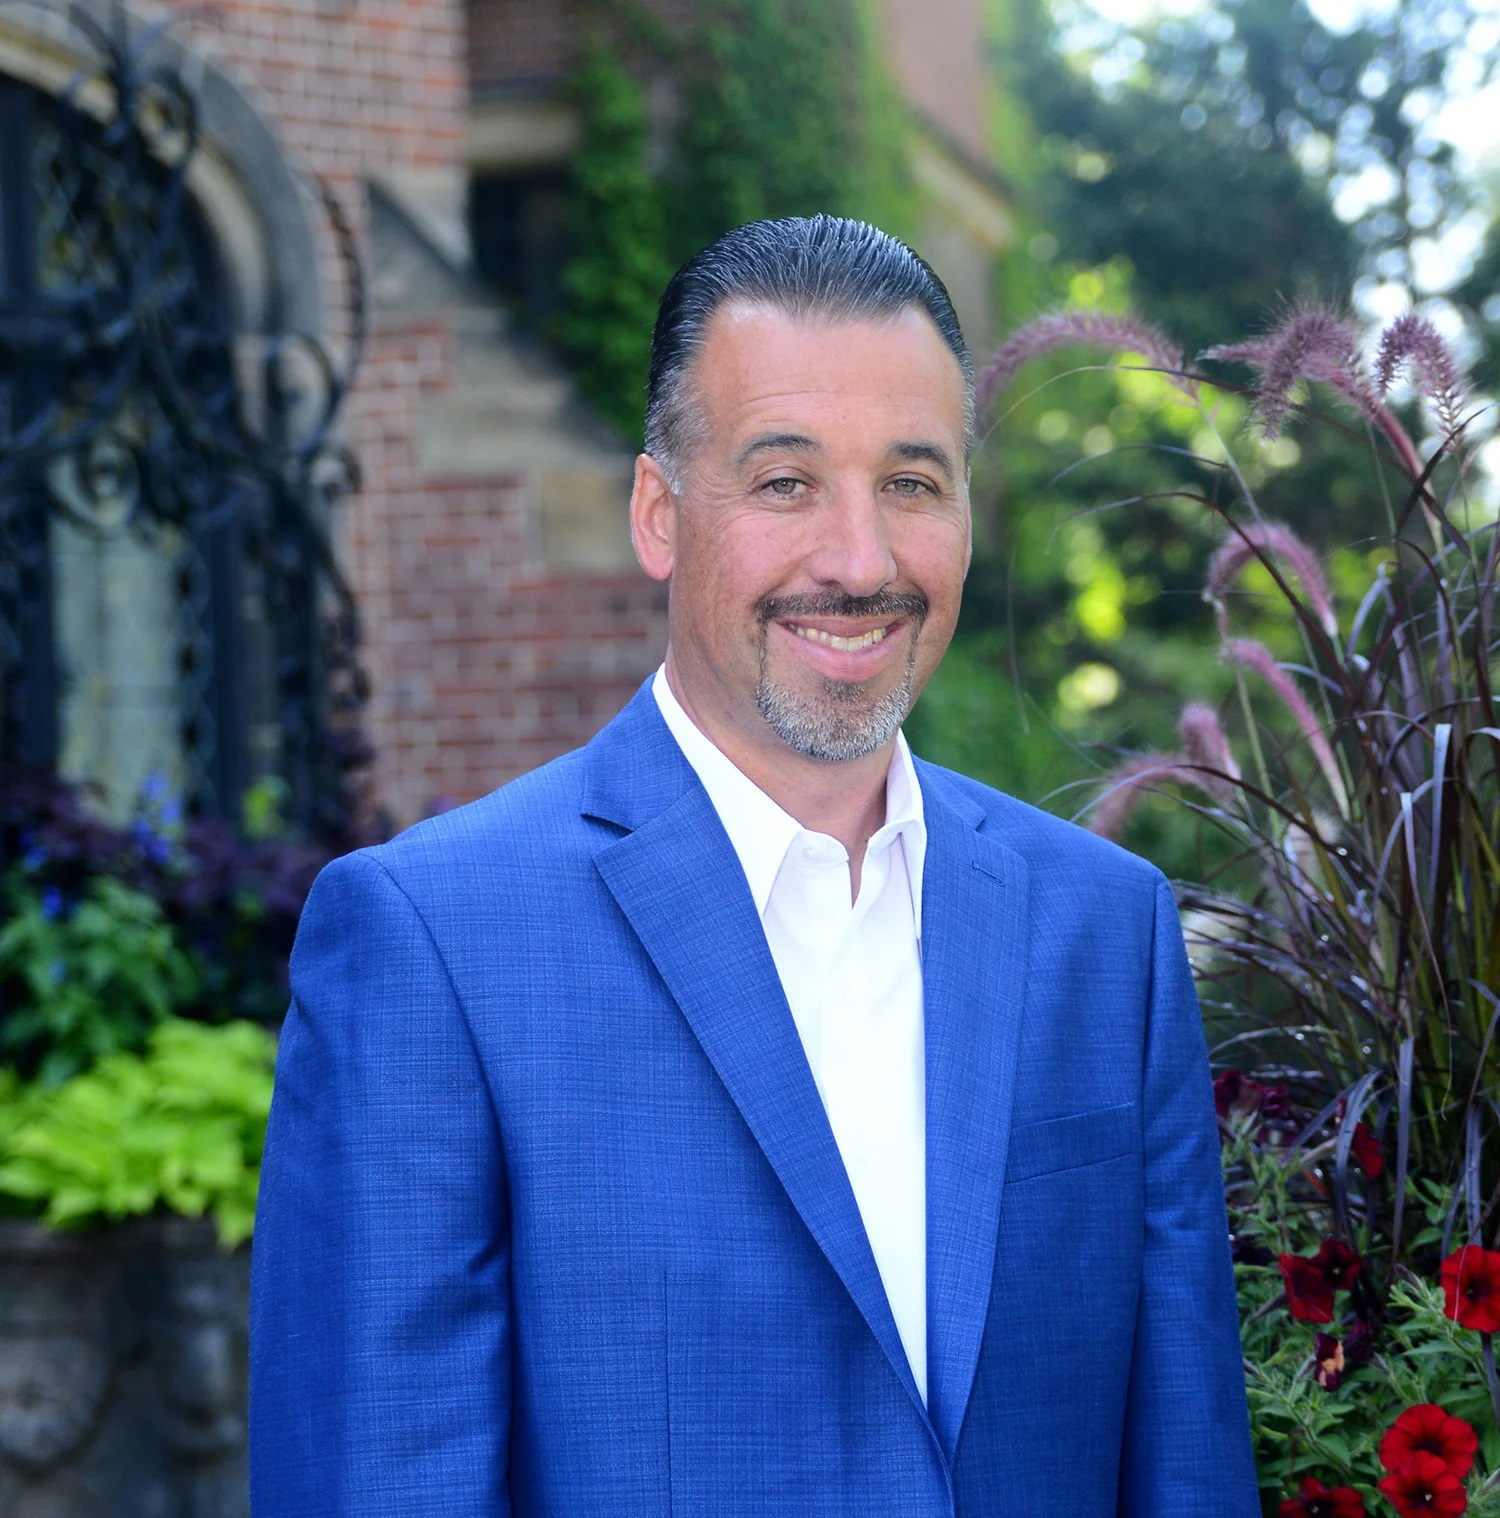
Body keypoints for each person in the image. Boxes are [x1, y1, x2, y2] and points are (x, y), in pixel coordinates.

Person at [249, 215, 1259, 1516]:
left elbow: (1183, 1473)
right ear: (662, 515)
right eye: (786, 482)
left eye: (912, 481)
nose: (859, 558)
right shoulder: (432, 943)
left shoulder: (1105, 932)